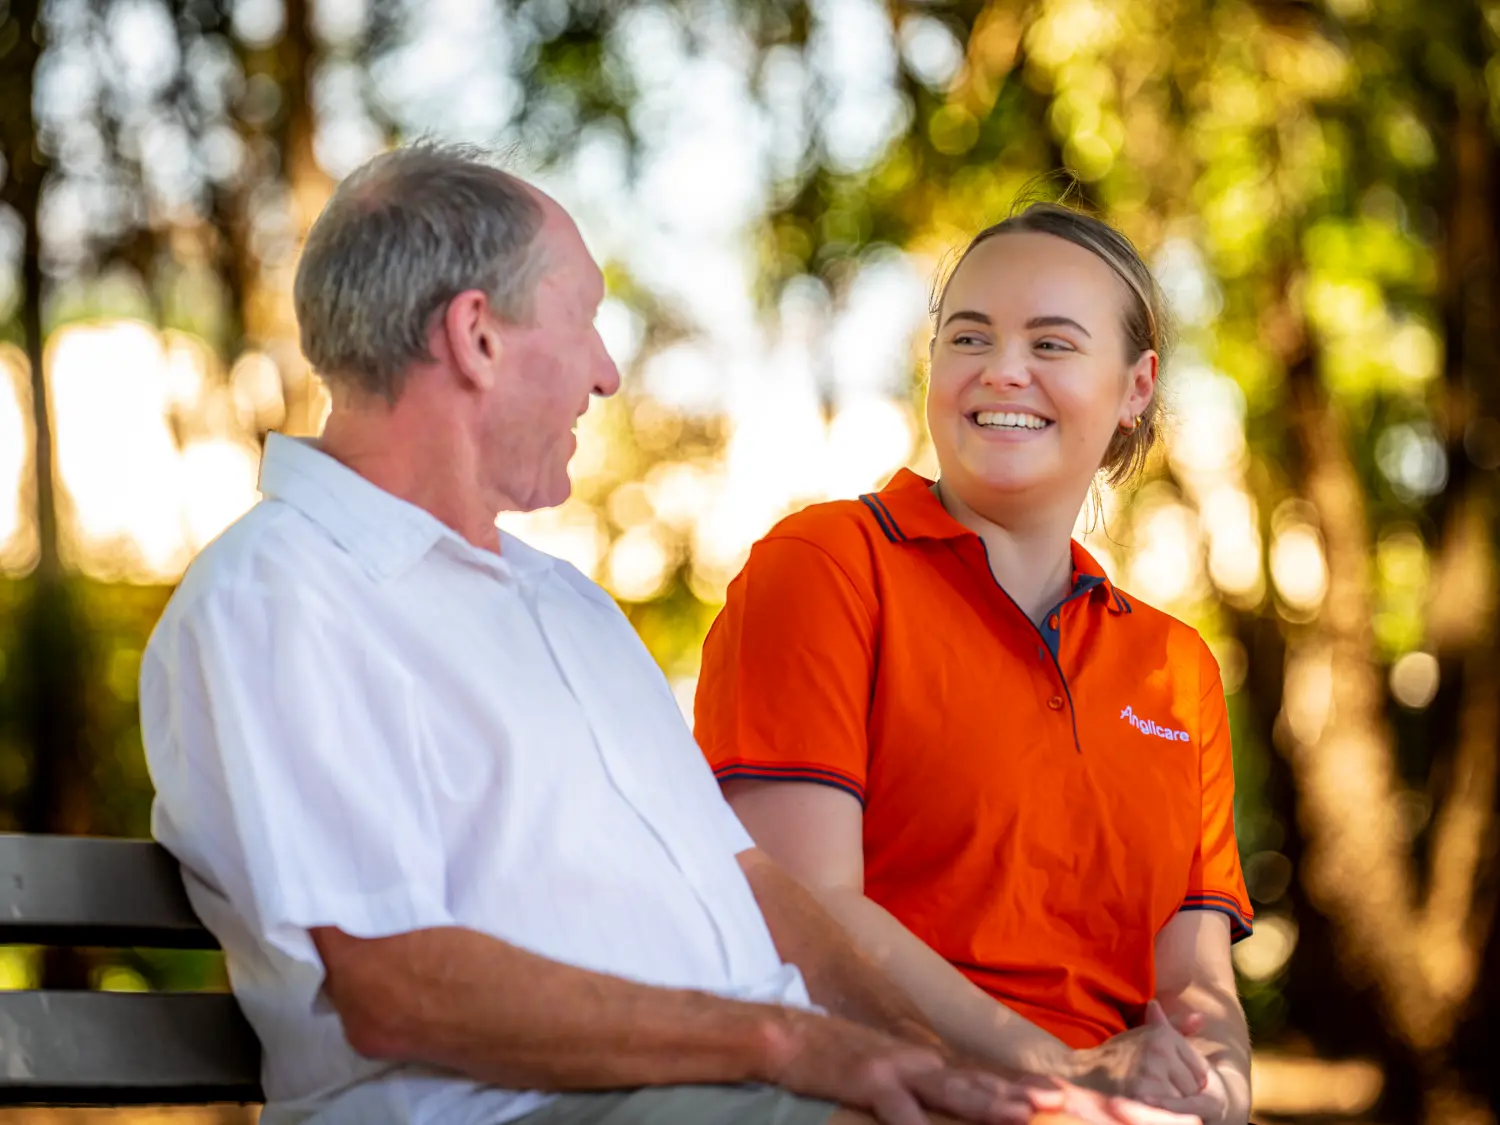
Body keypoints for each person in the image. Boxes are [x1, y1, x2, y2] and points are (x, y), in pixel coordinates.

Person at [137, 146, 1196, 1125]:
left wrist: (939, 1066)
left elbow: (755, 884)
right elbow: (394, 988)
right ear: (477, 336)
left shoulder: (565, 606)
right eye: (584, 319)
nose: (606, 371)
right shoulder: (279, 598)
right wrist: (788, 1044)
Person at [693, 204, 1254, 1125]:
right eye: (969, 336)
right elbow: (804, 909)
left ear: (1136, 386)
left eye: (1052, 343)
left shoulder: (1176, 668)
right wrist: (1068, 1072)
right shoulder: (826, 565)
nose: (1001, 369)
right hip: (887, 1094)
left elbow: (1195, 982)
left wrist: (1215, 1092)